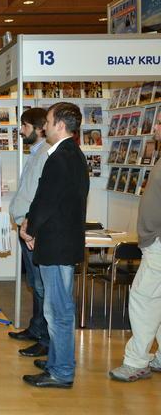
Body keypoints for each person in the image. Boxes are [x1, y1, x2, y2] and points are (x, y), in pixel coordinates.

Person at [20, 102, 89, 389]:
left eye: (48, 122)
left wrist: (29, 227)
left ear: (60, 125)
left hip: (57, 245)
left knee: (58, 311)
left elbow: (45, 200)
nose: (45, 127)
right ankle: (57, 362)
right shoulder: (72, 154)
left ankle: (61, 371)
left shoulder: (60, 157)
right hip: (61, 243)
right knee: (57, 308)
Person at [110, 112, 161, 382]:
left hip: (159, 245)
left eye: (160, 123)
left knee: (143, 301)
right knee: (156, 301)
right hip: (154, 243)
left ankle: (136, 362)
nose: (155, 127)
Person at [8, 108, 51, 358]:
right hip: (26, 228)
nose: (21, 131)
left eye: (24, 126)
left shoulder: (46, 155)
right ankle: (36, 329)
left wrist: (30, 225)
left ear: (38, 128)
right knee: (35, 284)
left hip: (33, 230)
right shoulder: (36, 154)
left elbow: (40, 196)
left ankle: (45, 339)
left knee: (41, 286)